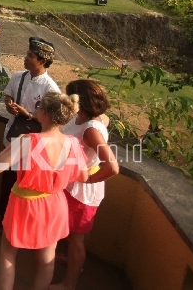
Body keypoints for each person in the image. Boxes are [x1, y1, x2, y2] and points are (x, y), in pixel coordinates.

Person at [0, 92, 89, 290]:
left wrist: (9, 149)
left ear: (44, 114)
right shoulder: (73, 143)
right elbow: (83, 177)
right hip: (54, 203)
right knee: (47, 258)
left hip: (24, 203)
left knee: (8, 253)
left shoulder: (28, 140)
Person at [0, 37, 60, 236]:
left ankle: (17, 224)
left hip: (33, 145)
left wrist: (28, 115)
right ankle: (3, 219)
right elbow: (8, 95)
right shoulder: (18, 77)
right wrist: (9, 103)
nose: (25, 58)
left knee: (25, 187)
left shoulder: (50, 89)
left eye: (30, 56)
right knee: (8, 183)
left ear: (42, 61)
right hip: (13, 138)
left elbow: (53, 122)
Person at [50, 80, 119, 290]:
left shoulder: (91, 129)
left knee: (77, 239)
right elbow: (104, 119)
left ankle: (69, 284)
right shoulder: (87, 119)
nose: (67, 99)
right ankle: (74, 265)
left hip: (81, 192)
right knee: (78, 235)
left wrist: (89, 178)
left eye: (71, 96)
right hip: (74, 186)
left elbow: (113, 167)